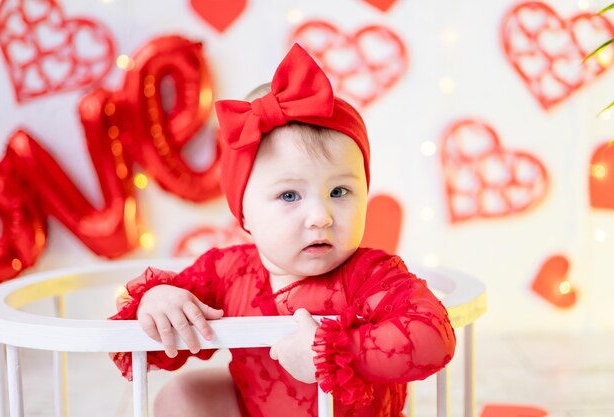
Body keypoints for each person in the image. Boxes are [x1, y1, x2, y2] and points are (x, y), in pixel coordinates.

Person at [110, 43, 456, 417]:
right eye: (290, 195)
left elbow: (432, 337)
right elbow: (154, 345)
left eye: (339, 191)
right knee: (182, 396)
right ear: (244, 213)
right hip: (254, 408)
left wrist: (334, 350)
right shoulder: (226, 273)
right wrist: (159, 302)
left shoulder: (370, 276)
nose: (320, 216)